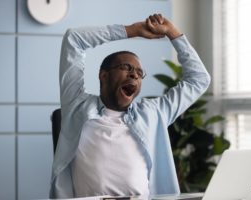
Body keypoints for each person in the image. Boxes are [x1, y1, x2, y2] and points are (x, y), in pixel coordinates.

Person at [50, 14, 211, 199]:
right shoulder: (76, 105)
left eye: (140, 73)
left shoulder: (154, 113)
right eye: (127, 67)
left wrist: (172, 33)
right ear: (104, 75)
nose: (135, 75)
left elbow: (200, 79)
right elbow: (74, 39)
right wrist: (132, 30)